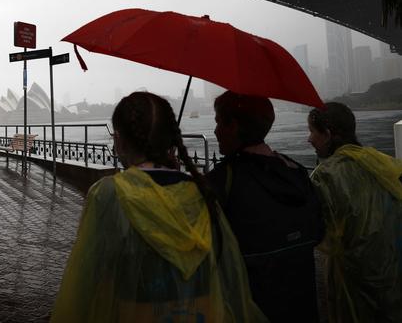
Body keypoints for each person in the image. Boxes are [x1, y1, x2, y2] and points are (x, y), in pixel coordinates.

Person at [51, 91, 266, 323]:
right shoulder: (201, 193)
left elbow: (85, 282)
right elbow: (227, 280)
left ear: (119, 140)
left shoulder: (109, 194)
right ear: (169, 139)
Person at [206, 90, 324, 323]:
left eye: (220, 122)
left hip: (248, 307)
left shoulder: (221, 181)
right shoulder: (296, 172)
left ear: (235, 126)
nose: (215, 131)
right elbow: (318, 232)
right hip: (301, 304)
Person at [308, 102, 402, 323]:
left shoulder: (326, 175)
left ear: (328, 134)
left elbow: (320, 233)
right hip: (391, 273)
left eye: (312, 131)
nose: (309, 139)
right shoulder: (382, 163)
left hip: (352, 281)